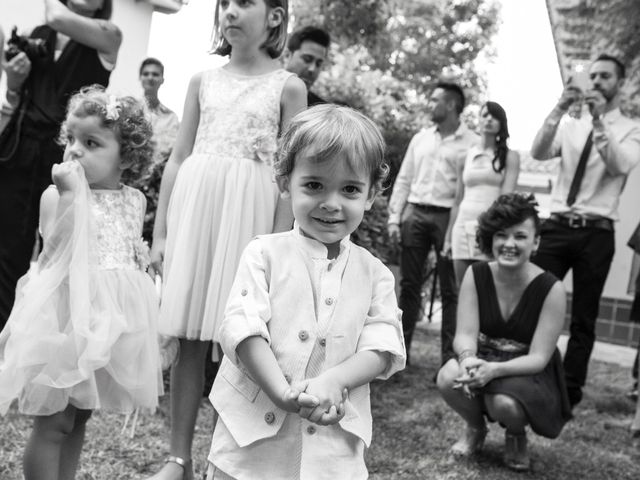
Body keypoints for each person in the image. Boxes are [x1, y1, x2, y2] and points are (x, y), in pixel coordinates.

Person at [147, 1, 307, 479]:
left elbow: (290, 172)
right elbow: (178, 157)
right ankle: (179, 458)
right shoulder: (202, 80)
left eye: (245, 2)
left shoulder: (289, 87)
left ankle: (224, 459)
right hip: (197, 218)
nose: (231, 11)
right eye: (226, 5)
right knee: (190, 335)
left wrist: (278, 245)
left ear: (275, 17)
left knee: (239, 342)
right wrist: (161, 230)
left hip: (252, 221)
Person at [206, 104, 406, 479]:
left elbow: (383, 346)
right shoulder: (263, 253)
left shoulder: (375, 273)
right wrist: (283, 394)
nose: (331, 203)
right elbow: (243, 329)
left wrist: (335, 380)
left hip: (332, 450)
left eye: (349, 189)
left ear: (372, 194)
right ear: (285, 183)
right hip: (250, 446)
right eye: (314, 185)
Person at [0, 87, 162, 480]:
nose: (74, 150)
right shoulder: (57, 196)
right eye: (70, 139)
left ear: (126, 157)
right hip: (64, 323)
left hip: (106, 325)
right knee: (53, 422)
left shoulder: (134, 200)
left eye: (91, 143)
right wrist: (72, 194)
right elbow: (55, 258)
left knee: (79, 417)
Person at [0, 0, 122, 329]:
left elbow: (55, 14)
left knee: (58, 255)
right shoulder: (38, 35)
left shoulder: (108, 35)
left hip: (69, 157)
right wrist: (12, 81)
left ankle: (48, 338)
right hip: (20, 155)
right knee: (7, 251)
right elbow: (16, 98)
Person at [530, 54, 640, 408]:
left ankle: (569, 394)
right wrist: (558, 110)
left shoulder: (631, 128)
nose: (596, 82)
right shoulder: (571, 124)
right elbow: (539, 151)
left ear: (619, 84)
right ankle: (527, 374)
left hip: (597, 232)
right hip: (558, 226)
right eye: (592, 76)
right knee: (534, 301)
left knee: (584, 318)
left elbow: (619, 164)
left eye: (605, 77)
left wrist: (598, 122)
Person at [437, 193, 571, 472]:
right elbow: (464, 333)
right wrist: (468, 359)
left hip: (526, 370)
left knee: (503, 404)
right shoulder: (477, 273)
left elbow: (539, 357)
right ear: (491, 239)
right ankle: (476, 428)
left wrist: (494, 371)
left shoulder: (552, 289)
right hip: (483, 355)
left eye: (520, 236)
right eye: (501, 235)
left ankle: (516, 434)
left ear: (535, 242)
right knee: (448, 376)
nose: (509, 244)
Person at [387, 82, 478, 365]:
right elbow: (404, 179)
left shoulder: (472, 142)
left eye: (435, 99)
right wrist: (394, 216)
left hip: (448, 218)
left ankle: (449, 359)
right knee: (409, 286)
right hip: (415, 213)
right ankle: (399, 356)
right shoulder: (421, 138)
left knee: (451, 290)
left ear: (451, 105)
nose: (430, 103)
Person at [445, 101, 520, 285]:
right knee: (462, 290)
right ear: (478, 119)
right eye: (485, 115)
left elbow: (505, 199)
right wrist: (447, 239)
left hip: (490, 227)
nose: (489, 120)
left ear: (502, 123)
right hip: (462, 225)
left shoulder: (510, 157)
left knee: (486, 289)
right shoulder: (464, 156)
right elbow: (457, 200)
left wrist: (494, 229)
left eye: (494, 116)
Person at [139, 57, 180, 165]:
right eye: (146, 74)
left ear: (162, 79)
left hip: (158, 174)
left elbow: (173, 152)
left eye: (155, 74)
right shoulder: (130, 110)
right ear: (140, 77)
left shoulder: (171, 118)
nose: (150, 77)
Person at [283, 25, 330, 106]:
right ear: (287, 55)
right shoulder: (261, 93)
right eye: (307, 59)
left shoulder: (319, 112)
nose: (312, 69)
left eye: (318, 64)